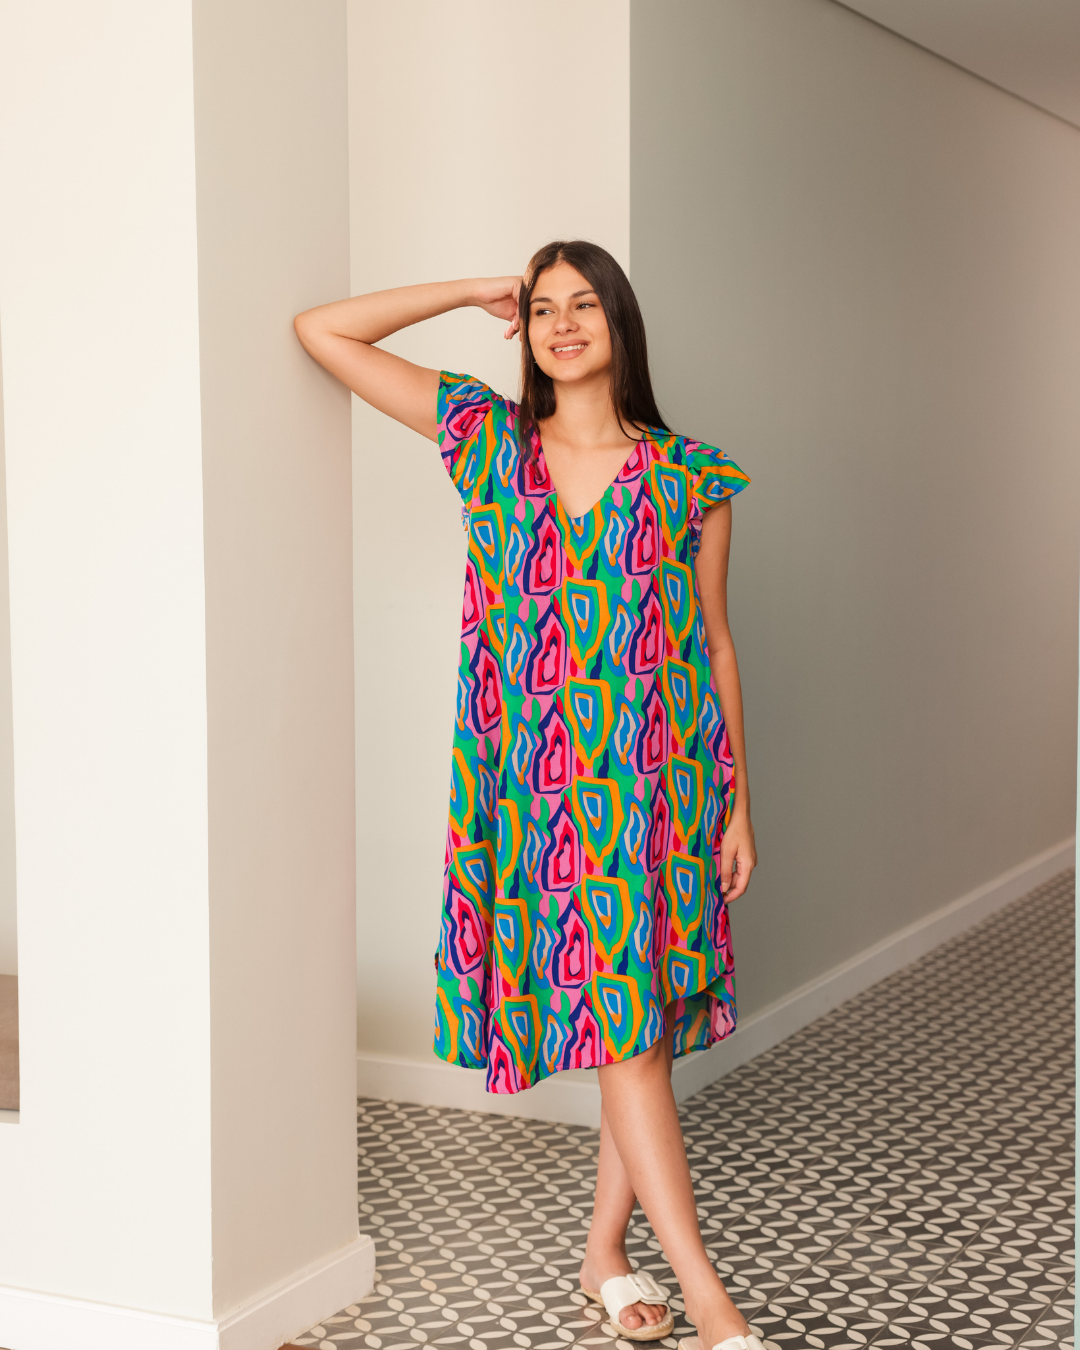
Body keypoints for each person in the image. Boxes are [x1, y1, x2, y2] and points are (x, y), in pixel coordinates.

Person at [295, 240, 760, 1350]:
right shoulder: (486, 440)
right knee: (627, 1034)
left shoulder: (692, 477)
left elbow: (714, 643)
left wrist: (739, 804)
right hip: (535, 798)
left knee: (634, 1030)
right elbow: (324, 332)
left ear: (619, 322)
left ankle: (606, 1256)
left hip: (662, 789)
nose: (561, 323)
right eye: (543, 307)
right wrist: (469, 290)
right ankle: (709, 1301)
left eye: (583, 304)